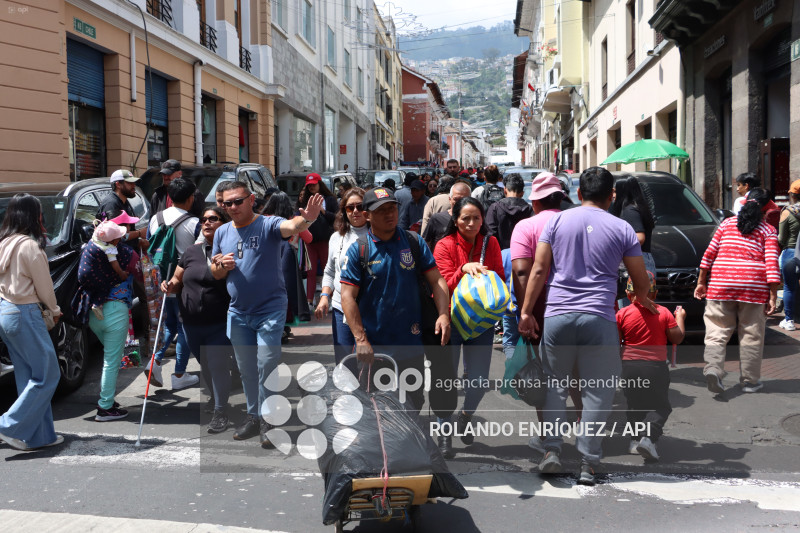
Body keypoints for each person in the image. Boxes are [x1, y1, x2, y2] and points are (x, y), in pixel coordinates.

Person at [517, 166, 656, 486]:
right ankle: (588, 463)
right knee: (597, 390)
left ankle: (551, 450)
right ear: (612, 196)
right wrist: (643, 299)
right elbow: (640, 280)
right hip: (599, 318)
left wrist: (526, 312)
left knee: (555, 385)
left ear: (579, 193)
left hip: (558, 315)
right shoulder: (622, 228)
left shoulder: (556, 222)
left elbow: (538, 270)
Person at [212, 181, 324, 447]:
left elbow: (291, 227)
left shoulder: (268, 224)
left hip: (270, 310)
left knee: (266, 364)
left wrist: (306, 220)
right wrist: (221, 266)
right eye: (227, 203)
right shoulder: (222, 232)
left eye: (238, 201)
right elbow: (215, 272)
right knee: (247, 369)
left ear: (251, 200)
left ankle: (268, 419)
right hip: (238, 312)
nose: (232, 207)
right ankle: (254, 416)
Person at [339, 187, 451, 412]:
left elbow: (437, 280)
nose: (389, 214)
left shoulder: (413, 242)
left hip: (412, 347)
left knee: (413, 404)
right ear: (367, 215)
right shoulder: (358, 250)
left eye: (392, 208)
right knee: (378, 410)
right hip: (375, 350)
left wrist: (443, 314)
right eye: (381, 210)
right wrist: (361, 340)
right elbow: (347, 296)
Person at [509, 172, 579, 454]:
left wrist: (526, 313)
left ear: (534, 202)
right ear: (560, 199)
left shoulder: (526, 227)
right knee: (577, 373)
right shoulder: (577, 223)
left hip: (540, 309)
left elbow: (521, 272)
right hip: (577, 306)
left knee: (545, 375)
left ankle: (549, 441)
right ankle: (586, 435)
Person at [433, 197, 504, 457]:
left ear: (483, 219)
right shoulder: (444, 245)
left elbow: (500, 278)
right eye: (465, 218)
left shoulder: (491, 243)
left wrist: (487, 275)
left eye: (476, 218)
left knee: (480, 381)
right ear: (455, 220)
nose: (471, 223)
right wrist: (463, 268)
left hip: (481, 322)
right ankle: (444, 432)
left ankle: (465, 415)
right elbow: (441, 284)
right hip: (451, 321)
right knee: (446, 379)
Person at [695, 187, 780, 395]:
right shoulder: (768, 230)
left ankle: (713, 368)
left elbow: (709, 254)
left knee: (716, 331)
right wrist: (773, 295)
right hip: (753, 287)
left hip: (721, 284)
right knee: (751, 335)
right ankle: (750, 382)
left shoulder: (726, 224)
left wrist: (701, 281)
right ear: (767, 208)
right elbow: (771, 263)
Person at [162, 206, 235, 434]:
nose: (207, 223)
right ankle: (216, 398)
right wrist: (169, 285)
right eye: (203, 220)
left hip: (219, 322)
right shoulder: (191, 252)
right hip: (190, 323)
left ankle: (221, 412)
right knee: (206, 365)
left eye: (213, 219)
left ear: (224, 224)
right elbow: (177, 279)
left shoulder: (231, 251)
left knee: (217, 364)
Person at [0, 194, 64, 450]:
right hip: (25, 312)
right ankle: (7, 425)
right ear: (32, 215)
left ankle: (41, 436)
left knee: (29, 378)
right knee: (48, 375)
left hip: (6, 311)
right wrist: (55, 309)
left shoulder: (4, 242)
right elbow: (45, 287)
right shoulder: (29, 246)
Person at [617, 272, 685, 461]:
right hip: (655, 368)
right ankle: (649, 437)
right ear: (655, 293)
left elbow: (615, 342)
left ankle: (634, 441)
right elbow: (677, 338)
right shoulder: (663, 312)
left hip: (629, 367)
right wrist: (680, 317)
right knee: (661, 406)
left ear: (628, 294)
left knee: (634, 405)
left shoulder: (622, 314)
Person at [76, 219, 139, 422]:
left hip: (94, 311)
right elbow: (141, 273)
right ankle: (105, 407)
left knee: (111, 357)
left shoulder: (91, 248)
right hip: (115, 311)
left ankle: (108, 399)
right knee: (111, 361)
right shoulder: (126, 253)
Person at [146, 178, 201, 391]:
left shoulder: (155, 218)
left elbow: (150, 245)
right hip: (183, 282)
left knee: (169, 324)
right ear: (190, 198)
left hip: (160, 280)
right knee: (184, 327)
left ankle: (155, 361)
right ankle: (179, 374)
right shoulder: (194, 223)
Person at [316, 188, 369, 362]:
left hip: (370, 309)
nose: (355, 211)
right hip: (341, 308)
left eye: (360, 206)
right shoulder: (336, 238)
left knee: (373, 364)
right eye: (350, 207)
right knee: (345, 362)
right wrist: (325, 296)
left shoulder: (377, 235)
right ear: (344, 211)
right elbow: (330, 271)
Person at [298, 173, 338, 308]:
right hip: (310, 241)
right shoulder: (305, 200)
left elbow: (337, 218)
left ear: (320, 184)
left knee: (328, 269)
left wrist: (323, 211)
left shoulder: (330, 199)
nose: (311, 187)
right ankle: (309, 301)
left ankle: (331, 299)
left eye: (314, 184)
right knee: (310, 272)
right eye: (309, 185)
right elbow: (299, 217)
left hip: (326, 240)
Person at [609, 176, 657, 275]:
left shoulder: (629, 210)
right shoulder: (636, 207)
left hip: (637, 261)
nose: (613, 195)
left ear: (623, 191)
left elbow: (640, 238)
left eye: (615, 191)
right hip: (642, 259)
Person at [89, 220, 130, 319]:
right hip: (94, 275)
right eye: (118, 239)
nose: (119, 240)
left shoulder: (96, 239)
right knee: (105, 285)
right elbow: (114, 264)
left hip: (85, 270)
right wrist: (121, 273)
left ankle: (92, 301)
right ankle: (98, 304)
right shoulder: (109, 249)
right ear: (112, 241)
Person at [97, 170, 148, 249]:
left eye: (133, 183)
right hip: (114, 254)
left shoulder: (124, 201)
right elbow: (114, 236)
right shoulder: (111, 204)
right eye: (129, 183)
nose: (133, 185)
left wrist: (138, 242)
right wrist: (139, 233)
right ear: (118, 184)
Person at [485, 173, 532, 250]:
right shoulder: (530, 210)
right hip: (525, 254)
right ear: (522, 194)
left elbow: (490, 235)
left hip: (500, 254)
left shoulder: (495, 208)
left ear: (505, 190)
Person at [423, 180, 472, 252]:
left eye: (464, 200)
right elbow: (426, 244)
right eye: (456, 199)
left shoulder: (474, 220)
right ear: (450, 199)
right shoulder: (436, 219)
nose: (460, 203)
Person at [778, 180, 800, 331]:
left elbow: (781, 238)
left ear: (793, 195)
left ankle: (789, 320)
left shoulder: (788, 211)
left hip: (791, 253)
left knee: (789, 287)